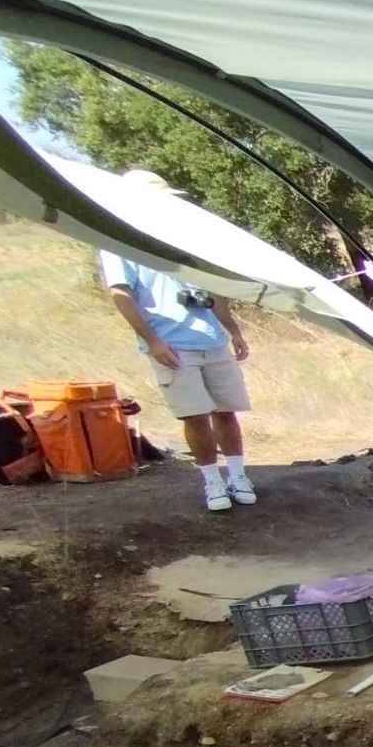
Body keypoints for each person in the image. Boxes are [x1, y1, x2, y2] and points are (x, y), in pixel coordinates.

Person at [98, 169, 256, 514]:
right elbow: (120, 294)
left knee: (225, 410)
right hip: (172, 344)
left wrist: (233, 330)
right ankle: (212, 481)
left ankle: (238, 476)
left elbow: (213, 290)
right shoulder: (119, 243)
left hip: (211, 338)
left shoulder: (185, 238)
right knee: (195, 415)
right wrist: (153, 341)